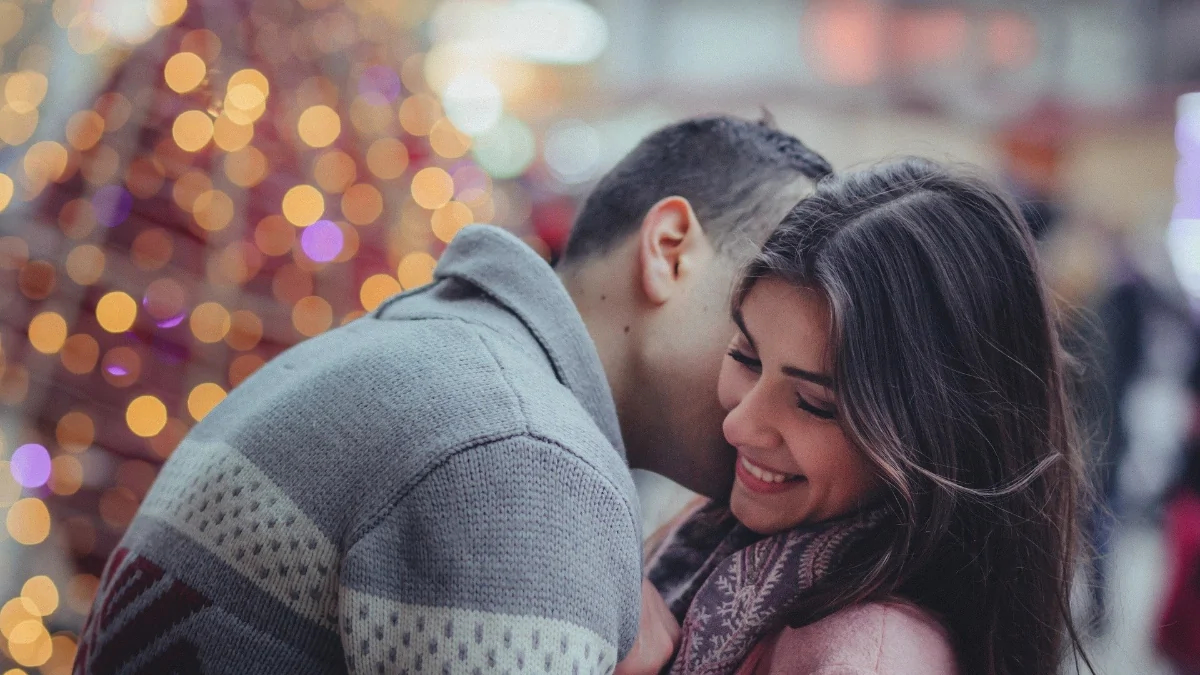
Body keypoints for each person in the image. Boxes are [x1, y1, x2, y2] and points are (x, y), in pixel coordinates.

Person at [73, 115, 833, 673]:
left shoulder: (429, 352)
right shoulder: (519, 451)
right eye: (756, 324)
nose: (782, 388)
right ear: (669, 250)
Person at [646, 158, 1092, 675]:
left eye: (815, 404)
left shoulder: (865, 657)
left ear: (937, 433)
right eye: (747, 356)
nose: (738, 425)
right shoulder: (725, 532)